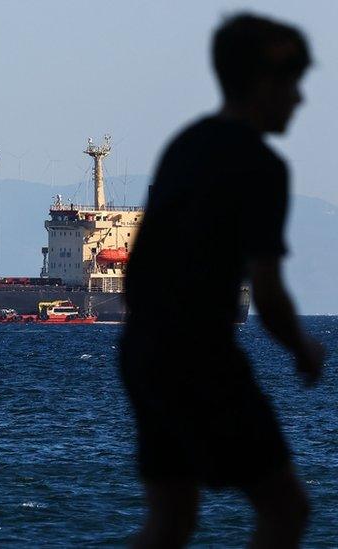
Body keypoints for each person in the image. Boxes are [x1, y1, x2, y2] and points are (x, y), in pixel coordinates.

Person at [120, 13, 326, 548]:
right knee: (287, 507)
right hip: (200, 355)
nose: (299, 100)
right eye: (292, 84)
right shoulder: (261, 166)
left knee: (170, 520)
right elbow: (269, 287)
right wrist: (302, 348)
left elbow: (138, 269)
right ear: (263, 84)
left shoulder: (185, 144)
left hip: (141, 350)